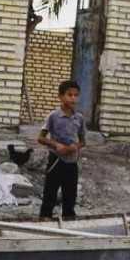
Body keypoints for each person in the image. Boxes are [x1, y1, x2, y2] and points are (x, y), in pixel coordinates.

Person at [38, 80, 86, 219]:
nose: (73, 98)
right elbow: (41, 138)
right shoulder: (53, 116)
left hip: (72, 162)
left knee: (70, 195)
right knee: (50, 193)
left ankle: (68, 220)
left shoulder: (79, 118)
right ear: (60, 96)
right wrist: (56, 145)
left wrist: (74, 147)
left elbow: (83, 141)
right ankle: (44, 219)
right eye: (69, 95)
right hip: (56, 161)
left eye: (76, 95)